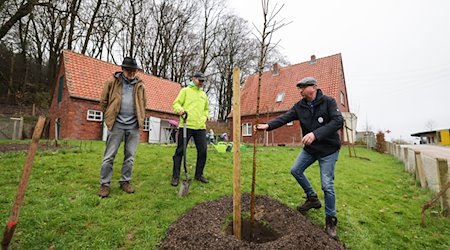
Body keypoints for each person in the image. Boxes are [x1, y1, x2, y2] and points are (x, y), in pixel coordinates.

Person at [255, 77, 343, 238]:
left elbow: (338, 121)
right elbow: (285, 117)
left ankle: (331, 220)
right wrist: (268, 126)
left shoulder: (328, 102)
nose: (300, 90)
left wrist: (315, 134)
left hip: (328, 150)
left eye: (303, 87)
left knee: (327, 185)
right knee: (296, 170)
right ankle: (312, 198)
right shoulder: (300, 106)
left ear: (314, 87)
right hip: (311, 149)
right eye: (299, 88)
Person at [97, 57, 147, 198]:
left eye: (134, 71)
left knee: (130, 156)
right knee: (109, 156)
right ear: (123, 69)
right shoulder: (112, 82)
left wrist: (141, 119)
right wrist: (108, 117)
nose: (131, 73)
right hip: (116, 125)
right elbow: (103, 101)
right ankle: (104, 184)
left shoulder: (141, 85)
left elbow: (143, 103)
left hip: (133, 126)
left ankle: (125, 182)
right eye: (129, 70)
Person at [171, 71, 209, 186]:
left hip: (200, 127)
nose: (201, 83)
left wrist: (205, 117)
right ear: (193, 79)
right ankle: (175, 176)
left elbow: (206, 109)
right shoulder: (185, 91)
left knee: (203, 151)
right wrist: (180, 110)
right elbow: (176, 104)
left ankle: (199, 174)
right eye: (200, 80)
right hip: (186, 125)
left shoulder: (204, 95)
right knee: (180, 151)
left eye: (203, 81)